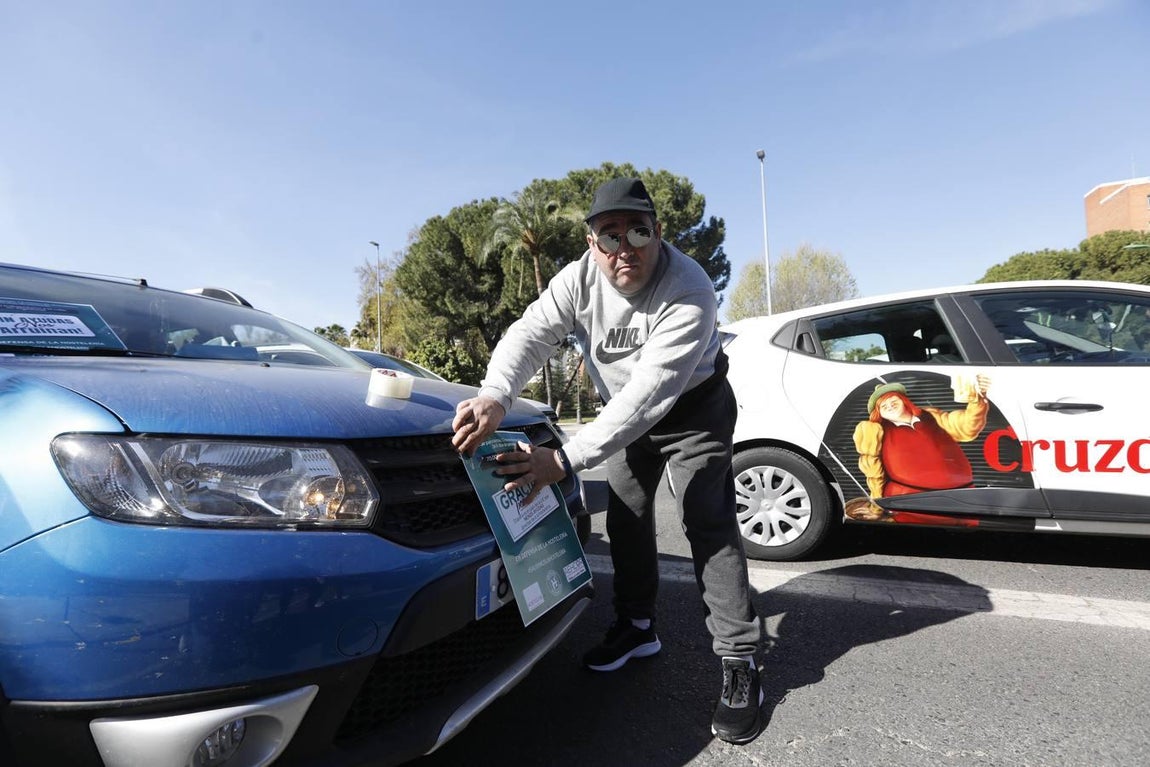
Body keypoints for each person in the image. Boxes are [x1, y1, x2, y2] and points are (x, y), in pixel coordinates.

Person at [452, 177, 764, 744]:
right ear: (592, 243)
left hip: (693, 408)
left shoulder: (690, 286)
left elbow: (651, 394)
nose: (626, 247)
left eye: (639, 231)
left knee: (707, 521)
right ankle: (637, 625)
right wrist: (495, 395)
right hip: (622, 411)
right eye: (609, 235)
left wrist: (563, 460)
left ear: (658, 233)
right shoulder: (577, 279)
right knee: (624, 515)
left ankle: (739, 659)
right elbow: (531, 332)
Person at [848, 377, 990, 522]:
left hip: (962, 501)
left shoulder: (931, 416)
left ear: (904, 401)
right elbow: (874, 473)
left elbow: (967, 426)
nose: (890, 406)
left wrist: (977, 399)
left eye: (893, 401)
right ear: (878, 413)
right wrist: (877, 507)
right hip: (913, 507)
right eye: (883, 406)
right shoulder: (876, 432)